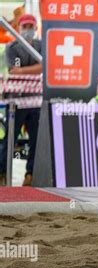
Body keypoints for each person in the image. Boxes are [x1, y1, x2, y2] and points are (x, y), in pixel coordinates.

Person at [0, 14, 42, 186]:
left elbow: (44, 66)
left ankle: (30, 174)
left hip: (37, 102)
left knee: (36, 140)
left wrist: (23, 71)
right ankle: (2, 172)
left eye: (30, 27)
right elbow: (13, 71)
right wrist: (36, 69)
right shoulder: (12, 47)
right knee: (10, 139)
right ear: (18, 28)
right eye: (24, 27)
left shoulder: (41, 45)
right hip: (16, 103)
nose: (28, 30)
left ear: (36, 28)